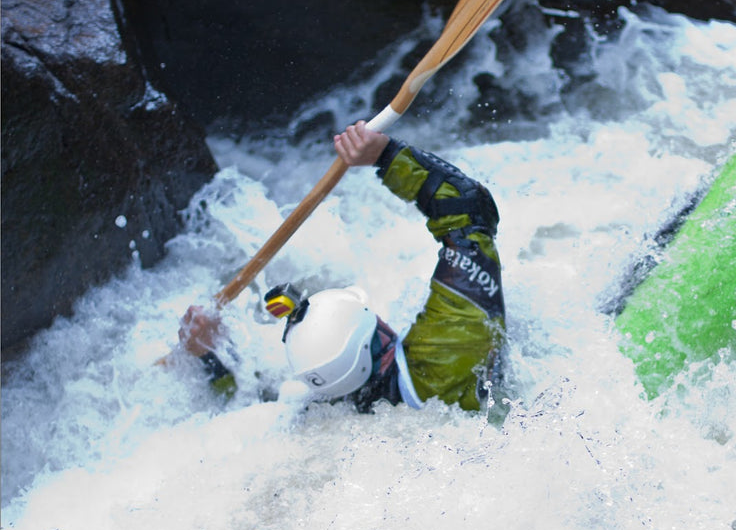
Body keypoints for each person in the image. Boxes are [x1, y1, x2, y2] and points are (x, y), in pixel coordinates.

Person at [178, 122, 506, 412]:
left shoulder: (329, 411)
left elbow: (249, 404)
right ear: (381, 341)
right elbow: (471, 212)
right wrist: (386, 154)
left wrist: (209, 357)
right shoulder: (448, 350)